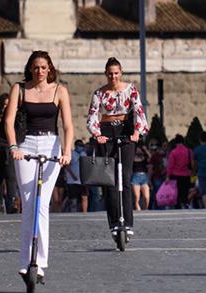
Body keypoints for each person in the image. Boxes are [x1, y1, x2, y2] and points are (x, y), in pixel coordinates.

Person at [5, 50, 73, 281]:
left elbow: (68, 126)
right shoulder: (19, 89)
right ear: (30, 68)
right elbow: (8, 120)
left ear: (50, 69)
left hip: (50, 144)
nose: (40, 71)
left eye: (44, 67)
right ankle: (26, 261)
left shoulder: (59, 90)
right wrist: (14, 147)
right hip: (26, 144)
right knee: (28, 204)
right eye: (36, 67)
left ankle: (40, 262)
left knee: (42, 204)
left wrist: (67, 152)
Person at [87, 57, 148, 238]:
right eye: (110, 73)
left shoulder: (130, 90)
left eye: (116, 73)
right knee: (110, 181)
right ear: (106, 74)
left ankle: (128, 222)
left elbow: (138, 111)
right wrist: (97, 134)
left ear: (120, 73)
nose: (113, 76)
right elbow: (92, 116)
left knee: (126, 178)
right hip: (106, 131)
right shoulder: (99, 93)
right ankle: (114, 222)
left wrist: (137, 132)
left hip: (126, 130)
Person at [166, 134, 193, 209]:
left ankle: (177, 207)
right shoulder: (188, 151)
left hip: (175, 175)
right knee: (184, 192)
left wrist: (168, 176)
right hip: (186, 175)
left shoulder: (173, 152)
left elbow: (170, 165)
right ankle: (185, 204)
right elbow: (191, 163)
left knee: (176, 193)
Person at [64, 139, 88, 212]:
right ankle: (72, 212)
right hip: (72, 180)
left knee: (84, 197)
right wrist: (72, 175)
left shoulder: (84, 154)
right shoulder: (71, 153)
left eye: (81, 146)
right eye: (79, 146)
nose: (80, 147)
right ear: (76, 146)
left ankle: (85, 213)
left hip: (82, 180)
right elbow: (67, 166)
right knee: (73, 198)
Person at [131, 139, 151, 211]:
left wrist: (145, 149)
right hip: (135, 177)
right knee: (137, 196)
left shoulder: (145, 157)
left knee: (146, 196)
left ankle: (146, 208)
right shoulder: (132, 157)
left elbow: (151, 157)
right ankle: (138, 209)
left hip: (144, 177)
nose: (139, 150)